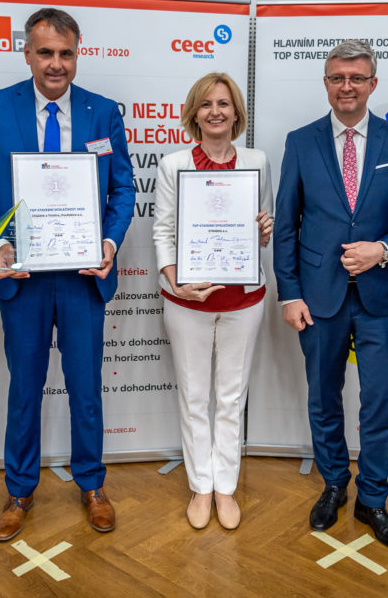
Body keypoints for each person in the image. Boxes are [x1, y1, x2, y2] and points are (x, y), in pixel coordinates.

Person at [0, 8, 135, 540]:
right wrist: (0, 242)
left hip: (83, 274)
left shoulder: (103, 112)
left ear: (78, 54)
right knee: (25, 388)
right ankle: (19, 490)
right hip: (24, 278)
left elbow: (122, 188)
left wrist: (108, 242)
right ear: (27, 54)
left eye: (66, 53)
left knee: (86, 387)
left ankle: (92, 484)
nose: (56, 64)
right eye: (45, 53)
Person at [273, 39, 388, 552]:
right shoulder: (301, 142)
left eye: (357, 78)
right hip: (318, 297)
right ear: (326, 83)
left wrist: (383, 249)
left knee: (379, 401)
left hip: (379, 297)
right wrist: (289, 294)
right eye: (338, 78)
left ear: (372, 83)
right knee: (323, 397)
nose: (347, 86)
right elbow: (286, 227)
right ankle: (334, 484)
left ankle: (374, 499)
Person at [152, 73, 273, 530]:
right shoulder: (173, 165)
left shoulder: (257, 161)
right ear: (194, 113)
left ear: (236, 112)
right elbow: (163, 231)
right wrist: (174, 281)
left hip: (244, 297)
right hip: (187, 301)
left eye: (224, 103)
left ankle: (226, 486)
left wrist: (265, 230)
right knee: (194, 395)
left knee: (231, 396)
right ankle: (201, 486)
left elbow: (263, 226)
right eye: (206, 104)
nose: (215, 111)